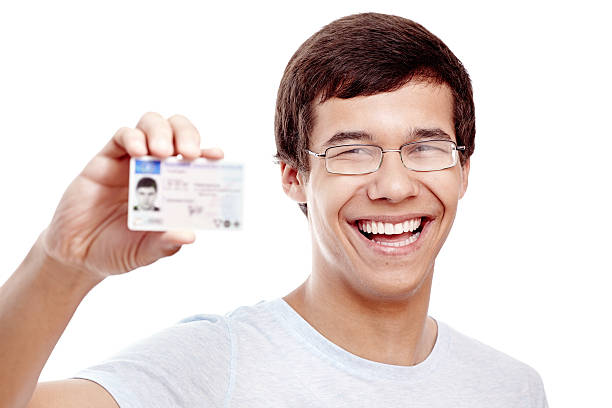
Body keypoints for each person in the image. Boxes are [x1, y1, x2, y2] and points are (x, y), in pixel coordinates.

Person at [0, 12, 548, 408]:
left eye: (426, 147)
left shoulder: (513, 388)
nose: (393, 184)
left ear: (464, 170)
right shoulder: (214, 365)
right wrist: (60, 265)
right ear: (293, 176)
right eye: (351, 151)